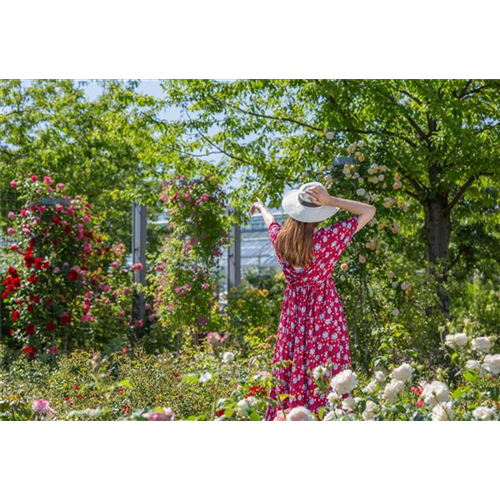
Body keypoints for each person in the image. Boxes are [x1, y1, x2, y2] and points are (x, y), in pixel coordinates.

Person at [250, 181, 376, 419]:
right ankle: (330, 419)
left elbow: (271, 223)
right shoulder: (328, 239)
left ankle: (290, 419)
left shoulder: (281, 242)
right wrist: (332, 201)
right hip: (324, 314)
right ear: (318, 215)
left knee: (292, 363)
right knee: (327, 366)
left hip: (293, 317)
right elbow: (369, 211)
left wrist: (262, 207)